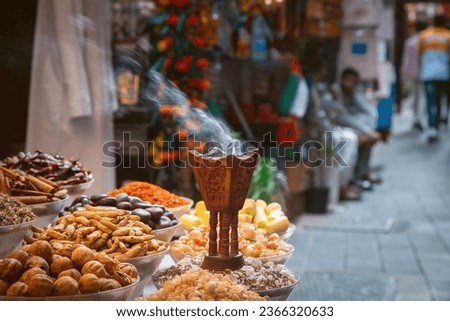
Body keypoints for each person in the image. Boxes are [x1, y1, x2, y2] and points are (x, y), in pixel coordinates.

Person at [306, 62, 362, 201]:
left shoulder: (322, 88)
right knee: (346, 141)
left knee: (351, 138)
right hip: (319, 131)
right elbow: (319, 118)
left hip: (327, 128)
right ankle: (340, 185)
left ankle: (343, 183)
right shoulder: (311, 87)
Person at [324, 68, 381, 191]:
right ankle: (344, 184)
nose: (350, 83)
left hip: (346, 127)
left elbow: (369, 111)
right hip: (333, 128)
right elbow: (342, 117)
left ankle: (361, 173)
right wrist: (366, 132)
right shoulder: (334, 93)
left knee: (366, 127)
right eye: (348, 80)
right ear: (341, 80)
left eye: (354, 81)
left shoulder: (352, 93)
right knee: (355, 139)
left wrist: (355, 92)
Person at [418, 14, 450, 143]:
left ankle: (432, 127)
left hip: (428, 74)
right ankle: (443, 120)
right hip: (444, 74)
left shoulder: (424, 35)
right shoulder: (448, 36)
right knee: (443, 99)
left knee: (431, 101)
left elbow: (419, 57)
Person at [402, 21, 428, 130]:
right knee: (422, 96)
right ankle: (419, 118)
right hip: (424, 71)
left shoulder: (410, 41)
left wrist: (404, 73)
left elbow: (407, 60)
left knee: (415, 96)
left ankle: (416, 117)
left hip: (412, 71)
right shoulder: (425, 40)